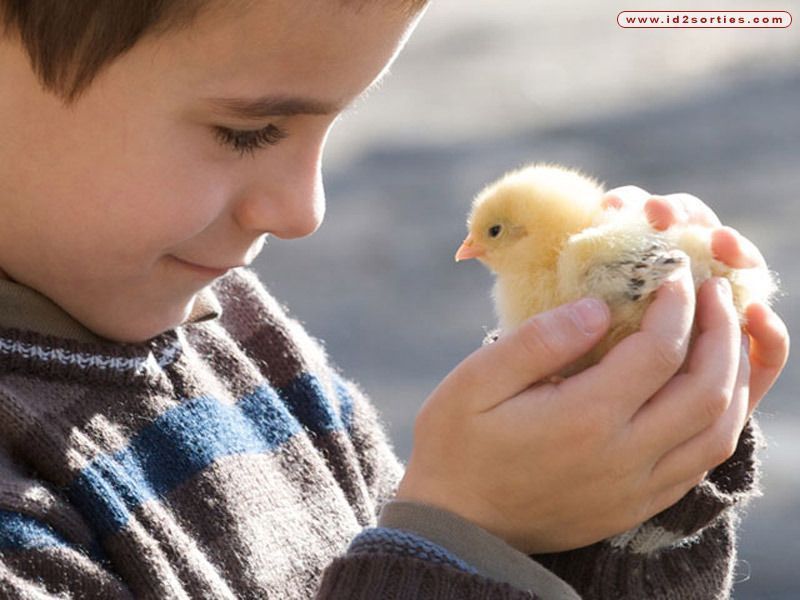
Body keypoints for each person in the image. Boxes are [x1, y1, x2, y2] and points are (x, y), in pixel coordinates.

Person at [0, 0, 789, 598]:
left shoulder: (251, 348)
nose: (304, 211)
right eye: (249, 132)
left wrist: (607, 502)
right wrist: (465, 538)